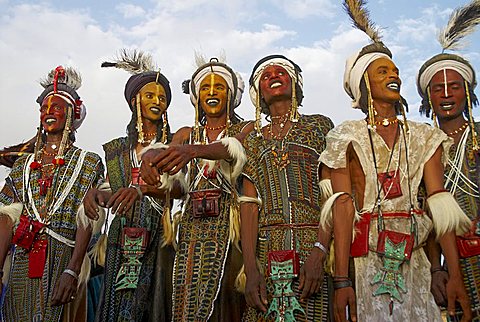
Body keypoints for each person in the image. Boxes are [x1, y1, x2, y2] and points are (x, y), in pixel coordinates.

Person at [318, 1, 472, 321]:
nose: (394, 76)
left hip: (414, 260)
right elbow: (343, 208)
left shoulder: (423, 136)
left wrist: (452, 273)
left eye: (396, 71)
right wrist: (342, 280)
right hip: (366, 262)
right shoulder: (345, 136)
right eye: (383, 71)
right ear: (364, 83)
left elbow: (438, 202)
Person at [142, 56, 252, 321]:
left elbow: (232, 148)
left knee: (229, 300)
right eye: (205, 87)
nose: (212, 92)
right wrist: (150, 160)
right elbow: (173, 172)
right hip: (191, 229)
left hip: (232, 230)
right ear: (197, 96)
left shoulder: (246, 128)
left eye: (219, 87)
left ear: (230, 94)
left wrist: (192, 150)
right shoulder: (185, 133)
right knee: (186, 300)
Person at [0, 66, 104, 321]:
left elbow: (87, 219)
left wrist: (72, 271)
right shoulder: (23, 167)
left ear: (72, 113)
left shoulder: (88, 162)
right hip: (22, 260)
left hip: (63, 258)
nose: (49, 112)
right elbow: (5, 218)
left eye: (56, 107)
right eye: (45, 108)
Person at [84, 50, 179, 322]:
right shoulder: (116, 150)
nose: (157, 101)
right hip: (121, 235)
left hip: (161, 234)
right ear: (134, 100)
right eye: (150, 95)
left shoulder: (175, 143)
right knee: (116, 306)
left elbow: (181, 190)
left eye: (162, 97)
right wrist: (97, 194)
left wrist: (145, 190)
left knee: (155, 306)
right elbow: (115, 191)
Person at [239, 54, 333, 321]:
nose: (273, 77)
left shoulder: (318, 126)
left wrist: (320, 251)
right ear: (259, 92)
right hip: (267, 249)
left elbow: (330, 195)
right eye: (266, 77)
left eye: (281, 73)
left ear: (295, 84)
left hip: (311, 245)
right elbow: (249, 207)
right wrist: (250, 269)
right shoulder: (253, 141)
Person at [417, 1, 480, 320]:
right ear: (428, 98)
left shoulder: (479, 134)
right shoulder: (421, 148)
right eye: (437, 89)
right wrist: (434, 268)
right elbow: (425, 215)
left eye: (453, 87)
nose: (445, 94)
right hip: (453, 261)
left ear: (467, 92)